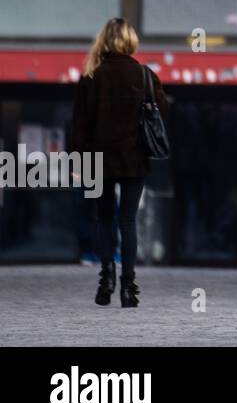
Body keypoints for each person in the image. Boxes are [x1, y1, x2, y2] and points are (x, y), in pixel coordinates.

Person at [69, 17, 169, 308]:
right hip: (134, 157)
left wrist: (79, 160)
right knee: (128, 220)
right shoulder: (144, 75)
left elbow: (80, 124)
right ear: (130, 41)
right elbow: (162, 112)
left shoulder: (91, 75)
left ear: (104, 40)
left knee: (104, 219)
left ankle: (106, 280)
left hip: (100, 159)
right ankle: (129, 287)